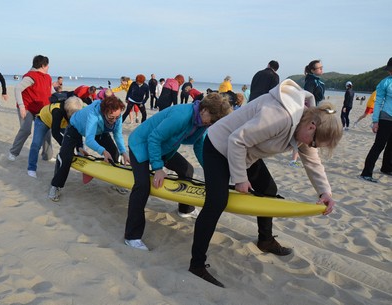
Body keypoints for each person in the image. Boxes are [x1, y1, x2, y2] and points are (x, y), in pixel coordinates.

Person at [189, 79, 343, 287]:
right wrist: (241, 179)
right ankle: (196, 264)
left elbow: (313, 161)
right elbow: (236, 140)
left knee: (269, 189)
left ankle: (265, 240)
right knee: (216, 202)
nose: (310, 146)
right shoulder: (279, 116)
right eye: (313, 141)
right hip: (219, 147)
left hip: (246, 153)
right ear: (312, 125)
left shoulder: (306, 126)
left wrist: (325, 192)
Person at [124, 93, 233, 250]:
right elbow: (154, 138)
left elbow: (199, 145)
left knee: (186, 169)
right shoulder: (181, 116)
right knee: (142, 186)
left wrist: (211, 169)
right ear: (205, 110)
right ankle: (132, 236)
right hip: (141, 144)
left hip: (164, 147)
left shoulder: (202, 122)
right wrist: (158, 168)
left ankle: (185, 209)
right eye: (213, 119)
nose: (212, 123)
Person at [48, 96, 130, 201]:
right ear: (104, 112)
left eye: (116, 117)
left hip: (100, 131)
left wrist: (123, 152)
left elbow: (117, 135)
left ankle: (117, 183)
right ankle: (56, 186)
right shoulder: (94, 114)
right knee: (66, 158)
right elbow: (89, 140)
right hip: (75, 127)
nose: (114, 120)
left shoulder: (117, 116)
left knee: (114, 153)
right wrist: (103, 151)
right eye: (111, 118)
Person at [7, 55, 53, 161]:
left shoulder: (47, 77)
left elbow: (50, 92)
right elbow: (17, 88)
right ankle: (13, 153)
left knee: (46, 131)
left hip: (42, 110)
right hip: (27, 108)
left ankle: (47, 156)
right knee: (26, 130)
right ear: (42, 65)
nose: (48, 67)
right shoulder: (30, 76)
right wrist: (22, 107)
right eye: (47, 65)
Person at [27, 96, 84, 178]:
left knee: (74, 134)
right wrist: (66, 148)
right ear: (68, 110)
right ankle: (31, 168)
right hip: (43, 120)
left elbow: (77, 131)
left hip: (60, 123)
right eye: (71, 113)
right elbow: (55, 133)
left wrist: (79, 148)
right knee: (36, 144)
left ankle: (80, 153)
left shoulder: (77, 110)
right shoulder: (57, 111)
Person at [359, 58, 392, 183]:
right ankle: (366, 173)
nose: (390, 72)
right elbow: (377, 103)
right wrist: (375, 121)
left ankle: (387, 168)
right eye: (389, 70)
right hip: (386, 117)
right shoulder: (385, 83)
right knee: (379, 145)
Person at [289, 59, 325, 167]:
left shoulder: (318, 81)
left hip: (317, 110)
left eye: (321, 67)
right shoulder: (310, 81)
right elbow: (306, 97)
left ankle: (305, 159)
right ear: (313, 70)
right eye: (319, 68)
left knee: (312, 135)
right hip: (310, 111)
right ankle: (293, 160)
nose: (321, 69)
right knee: (301, 135)